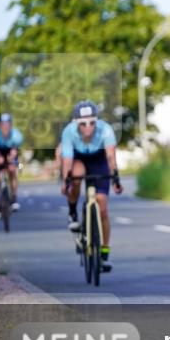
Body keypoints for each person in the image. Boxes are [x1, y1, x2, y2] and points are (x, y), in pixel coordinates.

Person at [60, 100, 123, 273]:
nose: (88, 127)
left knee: (102, 207)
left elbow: (110, 156)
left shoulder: (106, 130)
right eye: (83, 123)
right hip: (79, 158)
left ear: (97, 121)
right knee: (77, 176)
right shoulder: (69, 132)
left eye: (92, 122)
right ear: (76, 124)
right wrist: (66, 181)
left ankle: (104, 252)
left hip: (99, 160)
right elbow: (67, 160)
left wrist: (115, 178)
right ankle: (72, 212)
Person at [0, 113, 24, 219]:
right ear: (0, 125)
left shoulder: (16, 135)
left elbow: (14, 151)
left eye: (8, 124)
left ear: (11, 125)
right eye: (3, 124)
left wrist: (11, 158)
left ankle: (13, 197)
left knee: (12, 170)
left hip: (9, 153)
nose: (6, 127)